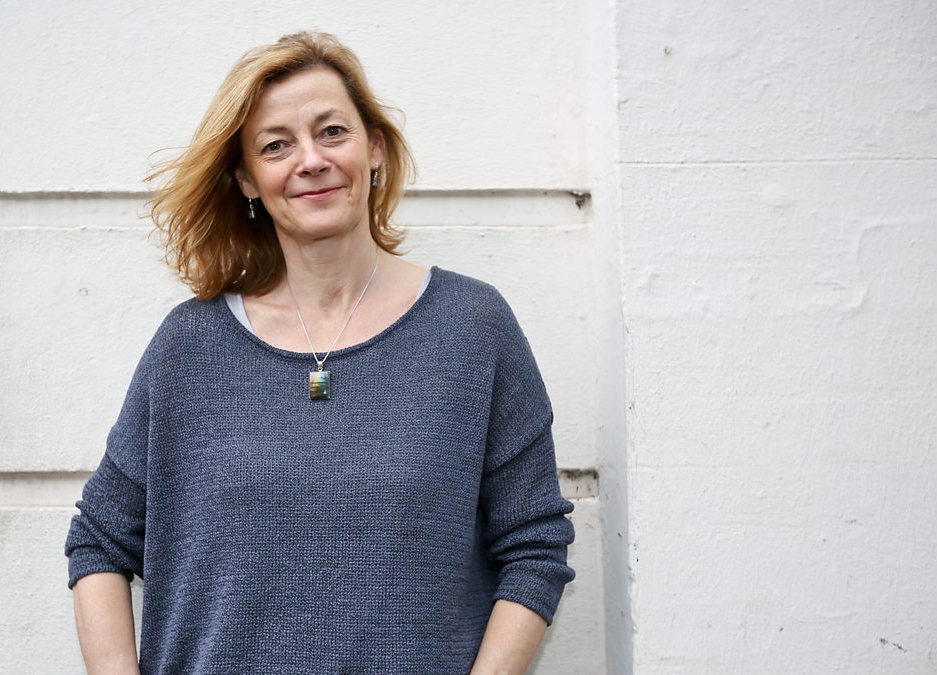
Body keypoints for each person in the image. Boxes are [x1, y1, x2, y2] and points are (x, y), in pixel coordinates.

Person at [64, 31, 575, 674]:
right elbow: (100, 539)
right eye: (276, 145)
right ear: (247, 180)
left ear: (375, 147)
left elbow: (534, 545)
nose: (311, 160)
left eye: (332, 132)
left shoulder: (472, 327)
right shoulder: (189, 347)